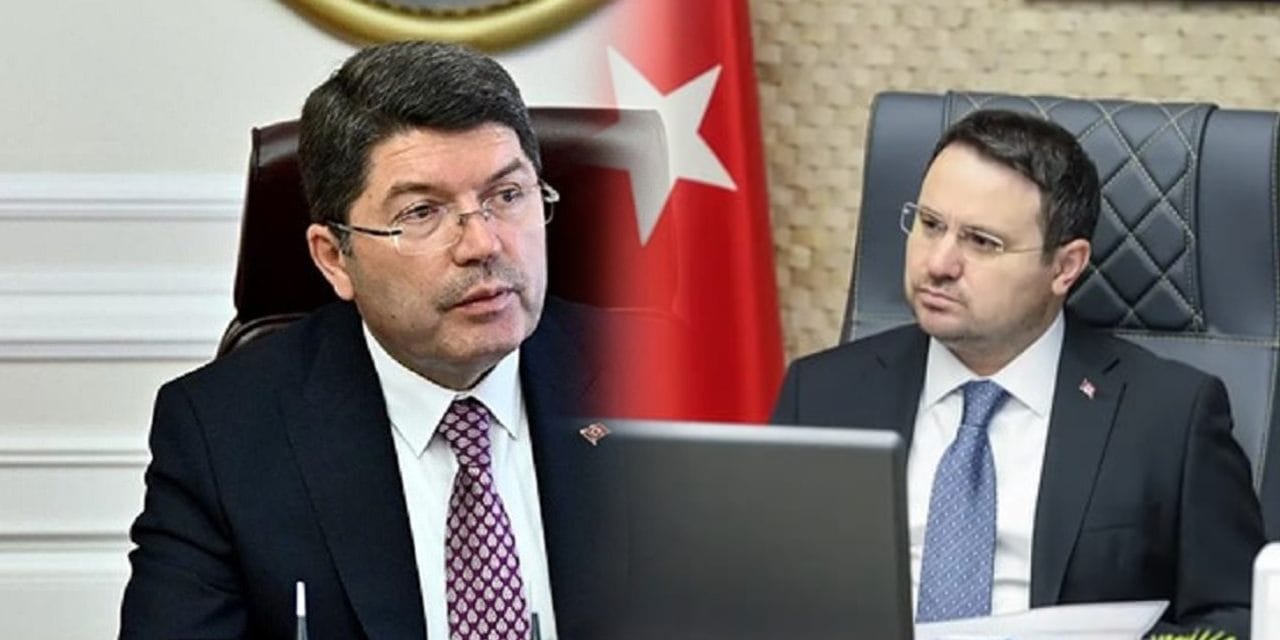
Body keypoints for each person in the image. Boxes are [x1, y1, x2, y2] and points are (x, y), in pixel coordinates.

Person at [119, 41, 617, 640]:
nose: (483, 244)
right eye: (422, 212)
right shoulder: (223, 435)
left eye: (506, 196)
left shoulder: (679, 381)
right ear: (334, 258)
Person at [772, 109, 1266, 637]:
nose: (938, 264)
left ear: (1065, 266)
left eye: (982, 242)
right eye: (931, 225)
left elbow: (1236, 621)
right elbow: (760, 590)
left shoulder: (1169, 418)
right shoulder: (820, 395)